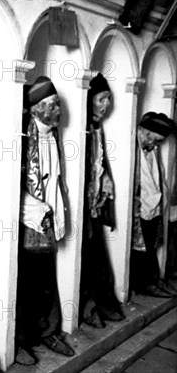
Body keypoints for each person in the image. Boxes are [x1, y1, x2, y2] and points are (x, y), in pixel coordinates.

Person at [15, 76, 75, 366]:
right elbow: (15, 188)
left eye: (58, 104)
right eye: (51, 105)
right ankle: (23, 340)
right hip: (30, 222)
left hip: (49, 220)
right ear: (36, 109)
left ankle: (49, 332)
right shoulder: (24, 138)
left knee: (47, 281)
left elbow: (57, 181)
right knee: (26, 283)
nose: (58, 110)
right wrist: (39, 212)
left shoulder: (53, 136)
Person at [79, 73, 125, 329]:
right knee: (86, 258)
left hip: (93, 206)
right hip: (81, 208)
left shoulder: (96, 128)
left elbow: (98, 163)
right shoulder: (82, 128)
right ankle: (89, 308)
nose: (106, 105)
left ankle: (102, 303)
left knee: (97, 258)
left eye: (108, 99)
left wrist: (105, 177)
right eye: (102, 98)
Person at [130, 112, 177, 298]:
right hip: (139, 207)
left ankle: (152, 282)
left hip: (153, 207)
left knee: (150, 247)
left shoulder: (151, 149)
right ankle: (141, 285)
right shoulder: (133, 148)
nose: (155, 145)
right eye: (155, 140)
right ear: (145, 132)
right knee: (139, 250)